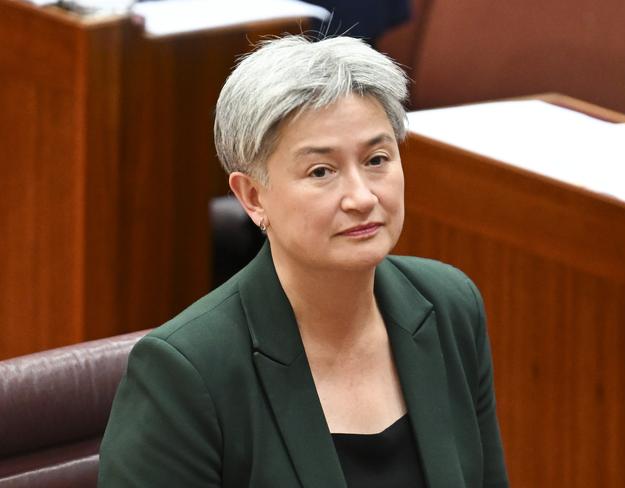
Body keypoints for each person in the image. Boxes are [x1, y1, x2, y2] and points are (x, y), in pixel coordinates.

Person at [98, 35, 509, 487]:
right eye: (321, 171)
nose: (361, 196)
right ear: (253, 197)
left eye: (376, 159)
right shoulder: (185, 373)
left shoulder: (450, 306)